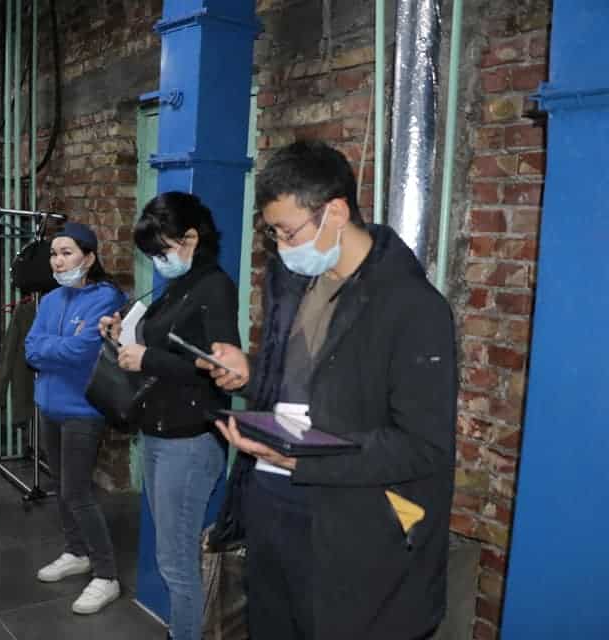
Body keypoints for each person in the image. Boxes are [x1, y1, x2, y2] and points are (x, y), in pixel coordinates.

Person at [202, 140, 457, 639]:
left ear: (336, 212)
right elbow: (306, 386)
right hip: (272, 505)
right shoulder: (295, 285)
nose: (281, 246)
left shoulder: (412, 307)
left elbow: (422, 446)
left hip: (349, 527)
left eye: (288, 231)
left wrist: (303, 457)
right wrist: (251, 373)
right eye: (273, 232)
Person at [99, 192, 240, 640]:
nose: (157, 262)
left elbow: (221, 370)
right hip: (160, 432)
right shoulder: (178, 285)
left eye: (161, 251)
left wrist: (149, 359)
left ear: (191, 238)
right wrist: (121, 337)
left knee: (177, 564)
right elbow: (160, 346)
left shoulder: (213, 286)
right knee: (171, 558)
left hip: (191, 439)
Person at [25, 222, 126, 615]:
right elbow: (31, 349)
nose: (58, 261)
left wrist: (53, 348)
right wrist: (58, 347)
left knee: (77, 492)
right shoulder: (51, 299)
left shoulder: (107, 297)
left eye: (67, 253)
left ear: (89, 256)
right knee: (61, 485)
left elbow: (84, 351)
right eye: (54, 254)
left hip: (83, 410)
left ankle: (106, 574)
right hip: (49, 405)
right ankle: (76, 551)